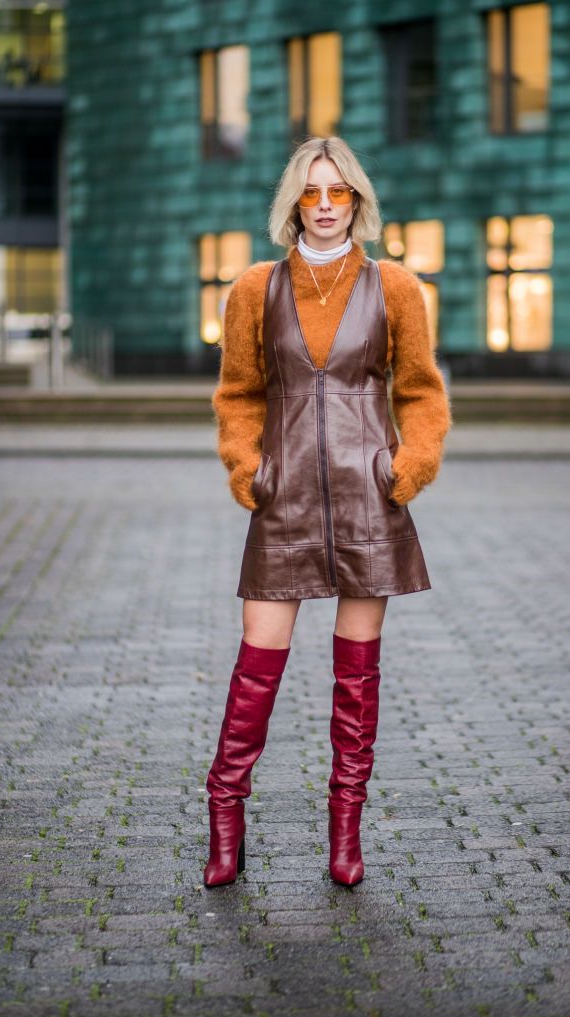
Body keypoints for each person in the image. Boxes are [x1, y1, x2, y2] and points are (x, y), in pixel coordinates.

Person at [204, 136, 452, 888]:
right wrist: (246, 467)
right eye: (310, 193)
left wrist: (409, 465)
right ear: (292, 203)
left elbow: (419, 390)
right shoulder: (256, 287)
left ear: (356, 202)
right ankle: (225, 819)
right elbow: (237, 394)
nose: (322, 205)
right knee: (256, 664)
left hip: (368, 495)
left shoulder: (396, 287)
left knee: (356, 679)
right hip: (282, 500)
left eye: (336, 192)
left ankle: (345, 832)